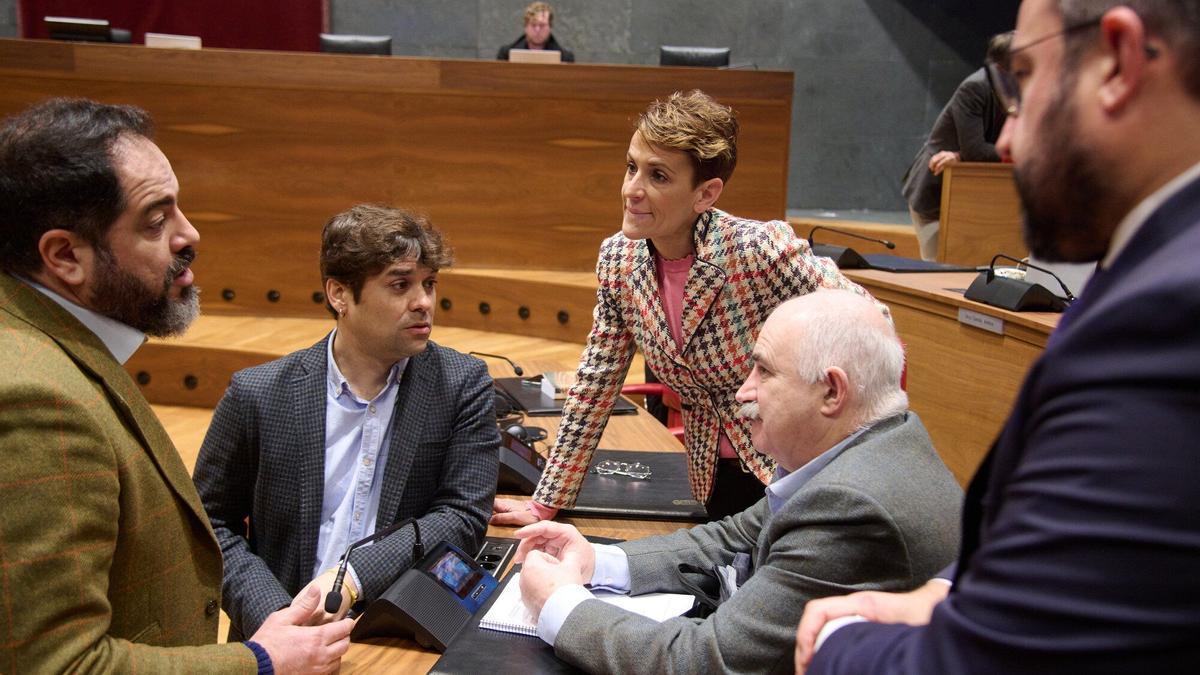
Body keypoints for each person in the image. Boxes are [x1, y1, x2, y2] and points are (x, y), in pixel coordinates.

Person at [798, 1, 1200, 672]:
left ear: (1121, 61)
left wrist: (836, 641)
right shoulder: (1148, 267)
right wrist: (942, 593)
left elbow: (984, 661)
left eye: (1023, 78)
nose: (1007, 139)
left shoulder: (1165, 321)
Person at [0, 98, 350, 672]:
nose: (190, 234)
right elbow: (56, 665)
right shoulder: (36, 403)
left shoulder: (49, 341)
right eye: (156, 220)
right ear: (65, 255)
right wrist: (259, 663)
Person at [512, 290, 962, 673]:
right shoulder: (869, 446)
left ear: (831, 392)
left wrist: (560, 605)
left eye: (764, 372)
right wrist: (597, 563)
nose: (743, 391)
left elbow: (706, 662)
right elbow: (735, 534)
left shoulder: (853, 507)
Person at [492, 90, 882, 526]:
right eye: (631, 167)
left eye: (658, 176)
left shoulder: (755, 250)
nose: (632, 190)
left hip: (795, 466)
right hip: (709, 472)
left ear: (706, 193)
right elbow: (597, 381)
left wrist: (812, 387)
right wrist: (546, 500)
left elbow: (872, 322)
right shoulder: (619, 259)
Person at [193, 204, 500, 639]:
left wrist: (354, 578)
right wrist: (276, 615)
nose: (424, 302)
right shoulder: (257, 394)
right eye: (400, 285)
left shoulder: (461, 385)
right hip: (279, 632)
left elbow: (462, 515)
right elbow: (208, 524)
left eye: (429, 284)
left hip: (395, 631)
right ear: (339, 294)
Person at [901, 32, 1013, 260]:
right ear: (1003, 67)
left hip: (973, 199)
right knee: (938, 271)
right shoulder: (974, 88)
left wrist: (961, 156)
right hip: (935, 192)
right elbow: (976, 150)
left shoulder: (1015, 93)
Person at [497, 2, 575, 62]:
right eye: (533, 25)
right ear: (525, 27)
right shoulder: (506, 56)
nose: (537, 30)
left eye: (542, 25)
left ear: (550, 27)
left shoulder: (565, 59)